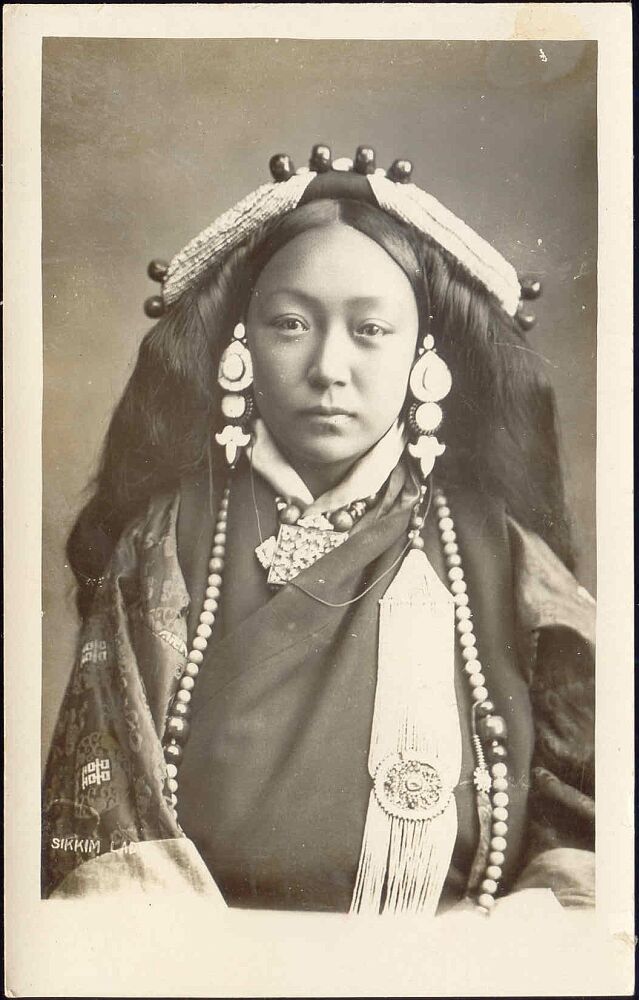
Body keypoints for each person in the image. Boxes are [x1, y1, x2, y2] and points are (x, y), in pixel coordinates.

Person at [42, 145, 595, 915]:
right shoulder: (165, 542)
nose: (329, 365)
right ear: (242, 347)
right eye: (291, 323)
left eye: (369, 329)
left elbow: (592, 826)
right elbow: (106, 827)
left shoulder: (497, 555)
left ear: (421, 358)